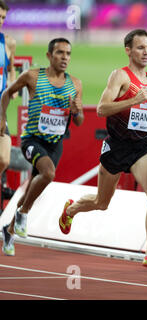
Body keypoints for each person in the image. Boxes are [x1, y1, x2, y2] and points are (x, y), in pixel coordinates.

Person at [57, 29, 147, 269]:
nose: (146, 52)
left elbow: (144, 115)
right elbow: (101, 109)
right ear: (128, 50)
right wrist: (133, 100)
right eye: (141, 48)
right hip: (116, 146)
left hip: (141, 147)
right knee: (101, 202)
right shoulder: (120, 76)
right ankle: (72, 209)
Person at [1, 38, 83, 256]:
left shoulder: (75, 84)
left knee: (31, 190)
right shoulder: (33, 76)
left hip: (55, 144)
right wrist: (2, 118)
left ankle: (9, 230)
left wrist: (77, 111)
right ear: (49, 55)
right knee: (48, 173)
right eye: (59, 53)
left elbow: (80, 121)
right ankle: (23, 213)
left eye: (68, 53)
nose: (64, 57)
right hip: (32, 140)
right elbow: (7, 93)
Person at [0, 0, 17, 197]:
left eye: (3, 17)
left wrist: (11, 86)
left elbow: (11, 69)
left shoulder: (9, 42)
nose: (1, 21)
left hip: (0, 109)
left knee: (4, 158)